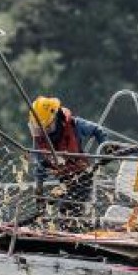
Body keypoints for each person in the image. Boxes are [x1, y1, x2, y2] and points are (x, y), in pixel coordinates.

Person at [27, 96, 108, 224]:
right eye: (39, 130)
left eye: (47, 128)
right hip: (64, 180)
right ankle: (81, 227)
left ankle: (82, 230)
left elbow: (98, 130)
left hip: (83, 175)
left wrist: (106, 147)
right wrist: (39, 190)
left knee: (68, 211)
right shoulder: (39, 139)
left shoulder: (74, 125)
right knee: (60, 211)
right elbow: (39, 166)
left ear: (56, 119)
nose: (44, 134)